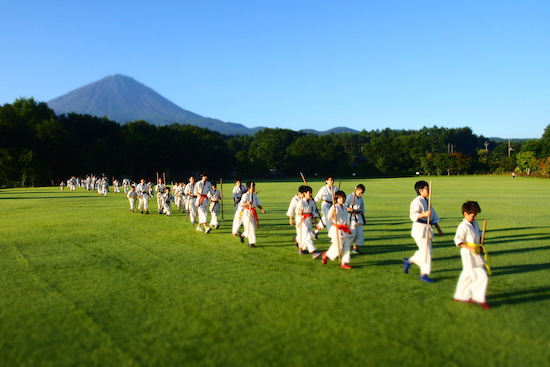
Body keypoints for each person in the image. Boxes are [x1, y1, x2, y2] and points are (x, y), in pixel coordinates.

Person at [403, 181, 443, 282]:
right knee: (426, 253)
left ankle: (409, 261)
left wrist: (438, 228)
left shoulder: (427, 201)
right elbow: (413, 215)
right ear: (420, 190)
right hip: (419, 229)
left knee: (425, 252)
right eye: (427, 188)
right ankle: (423, 274)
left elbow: (433, 216)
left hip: (427, 229)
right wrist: (424, 214)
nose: (429, 190)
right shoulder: (416, 201)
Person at [453, 201, 490, 309]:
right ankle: (478, 298)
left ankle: (461, 295)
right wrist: (470, 248)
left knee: (467, 276)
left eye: (476, 215)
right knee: (481, 276)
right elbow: (458, 240)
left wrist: (481, 237)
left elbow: (478, 234)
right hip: (468, 253)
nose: (475, 217)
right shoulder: (463, 226)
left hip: (475, 252)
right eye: (473, 215)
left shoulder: (475, 223)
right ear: (465, 214)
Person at [321, 190, 353, 269]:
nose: (342, 199)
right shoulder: (334, 207)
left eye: (343, 198)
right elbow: (329, 217)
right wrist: (332, 213)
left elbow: (347, 209)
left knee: (346, 246)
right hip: (336, 229)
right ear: (336, 199)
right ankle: (326, 254)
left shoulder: (344, 206)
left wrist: (350, 210)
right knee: (338, 247)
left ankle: (344, 262)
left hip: (344, 228)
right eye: (340, 198)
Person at [295, 186, 322, 258]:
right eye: (309, 193)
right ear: (304, 193)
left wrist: (316, 222)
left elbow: (314, 212)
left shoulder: (312, 202)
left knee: (305, 235)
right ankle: (313, 252)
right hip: (302, 220)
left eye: (311, 193)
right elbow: (297, 211)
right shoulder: (301, 202)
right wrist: (299, 211)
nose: (310, 194)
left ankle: (302, 249)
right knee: (307, 236)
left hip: (309, 219)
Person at [238, 181, 266, 247]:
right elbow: (241, 204)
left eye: (254, 187)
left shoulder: (254, 195)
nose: (254, 189)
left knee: (251, 228)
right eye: (253, 187)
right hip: (246, 213)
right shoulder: (245, 195)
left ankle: (243, 235)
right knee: (251, 228)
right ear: (248, 188)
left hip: (253, 212)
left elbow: (257, 203)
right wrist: (247, 203)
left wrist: (262, 209)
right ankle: (251, 243)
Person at [345, 184, 366, 254]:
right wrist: (348, 208)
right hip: (351, 217)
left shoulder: (361, 199)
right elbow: (344, 205)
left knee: (359, 233)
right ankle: (345, 246)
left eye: (362, 193)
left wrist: (363, 218)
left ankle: (355, 248)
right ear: (356, 190)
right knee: (352, 233)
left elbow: (362, 209)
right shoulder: (350, 197)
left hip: (359, 217)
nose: (361, 194)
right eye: (360, 192)